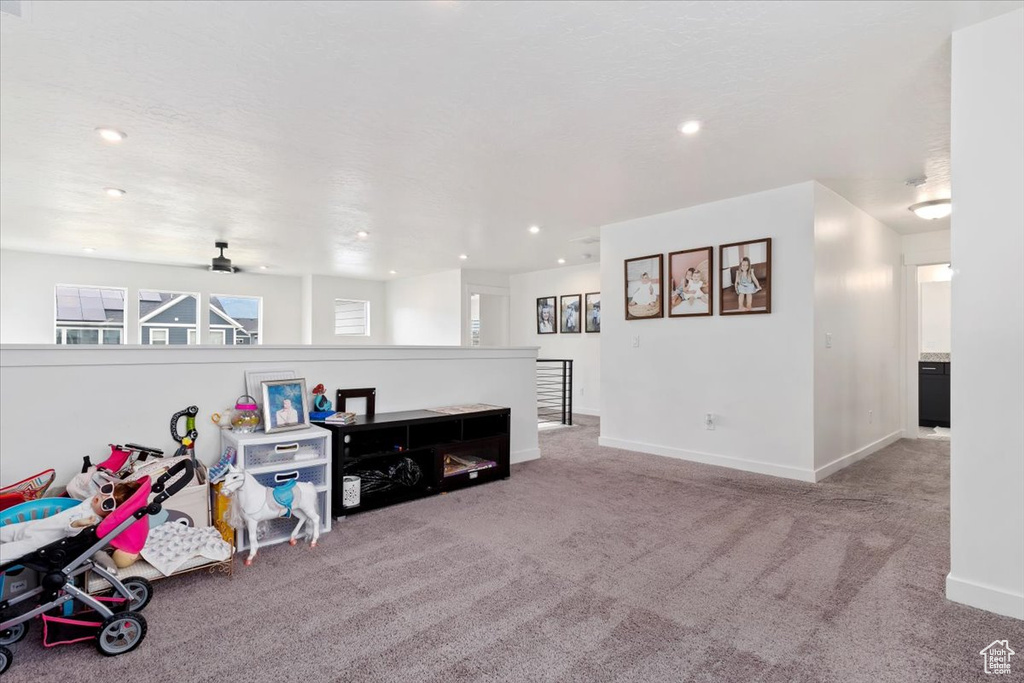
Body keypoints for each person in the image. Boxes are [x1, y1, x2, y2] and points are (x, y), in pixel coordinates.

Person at [0, 480, 142, 563]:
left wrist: (79, 524)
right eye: (106, 489)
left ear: (109, 514)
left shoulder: (93, 521)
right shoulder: (92, 502)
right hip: (34, 527)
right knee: (4, 532)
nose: (100, 498)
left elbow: (72, 531)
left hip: (37, 542)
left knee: (6, 553)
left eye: (108, 504)